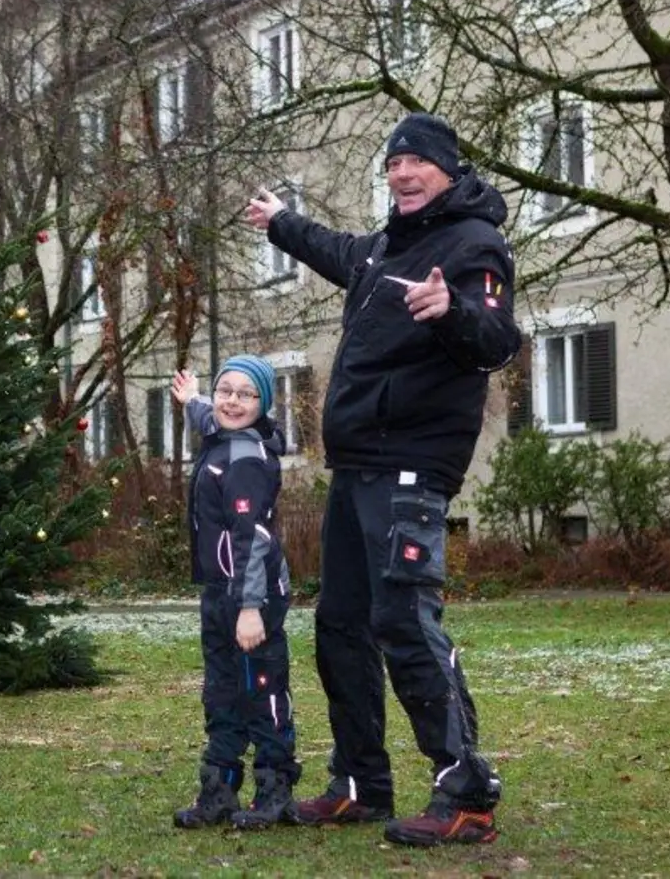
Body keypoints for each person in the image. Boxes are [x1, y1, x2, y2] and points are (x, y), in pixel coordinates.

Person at [242, 112, 520, 847]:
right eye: (392, 165)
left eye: (415, 164)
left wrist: (451, 309)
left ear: (448, 171)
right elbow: (336, 250)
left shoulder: (473, 244)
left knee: (404, 621)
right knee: (340, 625)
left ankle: (466, 792)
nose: (401, 174)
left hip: (411, 465)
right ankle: (361, 781)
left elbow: (496, 338)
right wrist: (280, 223)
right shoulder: (389, 248)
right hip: (357, 465)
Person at [170, 355, 302, 831]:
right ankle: (219, 792)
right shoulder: (220, 433)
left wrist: (249, 609)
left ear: (263, 403)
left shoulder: (247, 460)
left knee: (261, 691)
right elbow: (210, 414)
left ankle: (275, 791)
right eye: (226, 390)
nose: (231, 401)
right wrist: (192, 400)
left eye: (245, 394)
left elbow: (252, 538)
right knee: (220, 692)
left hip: (254, 595)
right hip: (220, 591)